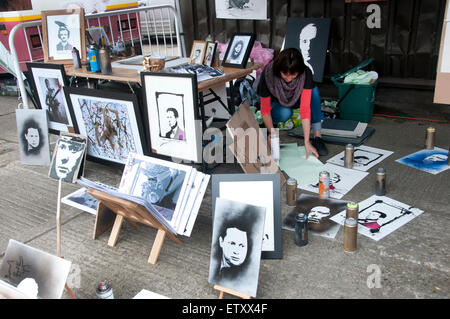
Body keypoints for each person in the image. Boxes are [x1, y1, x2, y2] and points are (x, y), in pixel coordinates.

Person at [257, 47, 328, 158]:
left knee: (314, 92)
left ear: (299, 72)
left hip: (297, 99)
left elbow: (305, 109)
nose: (289, 79)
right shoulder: (268, 74)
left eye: (293, 75)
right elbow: (265, 109)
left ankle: (317, 137)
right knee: (285, 113)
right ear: (278, 70)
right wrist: (272, 132)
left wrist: (306, 141)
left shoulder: (306, 73)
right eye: (285, 74)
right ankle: (269, 128)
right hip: (278, 104)